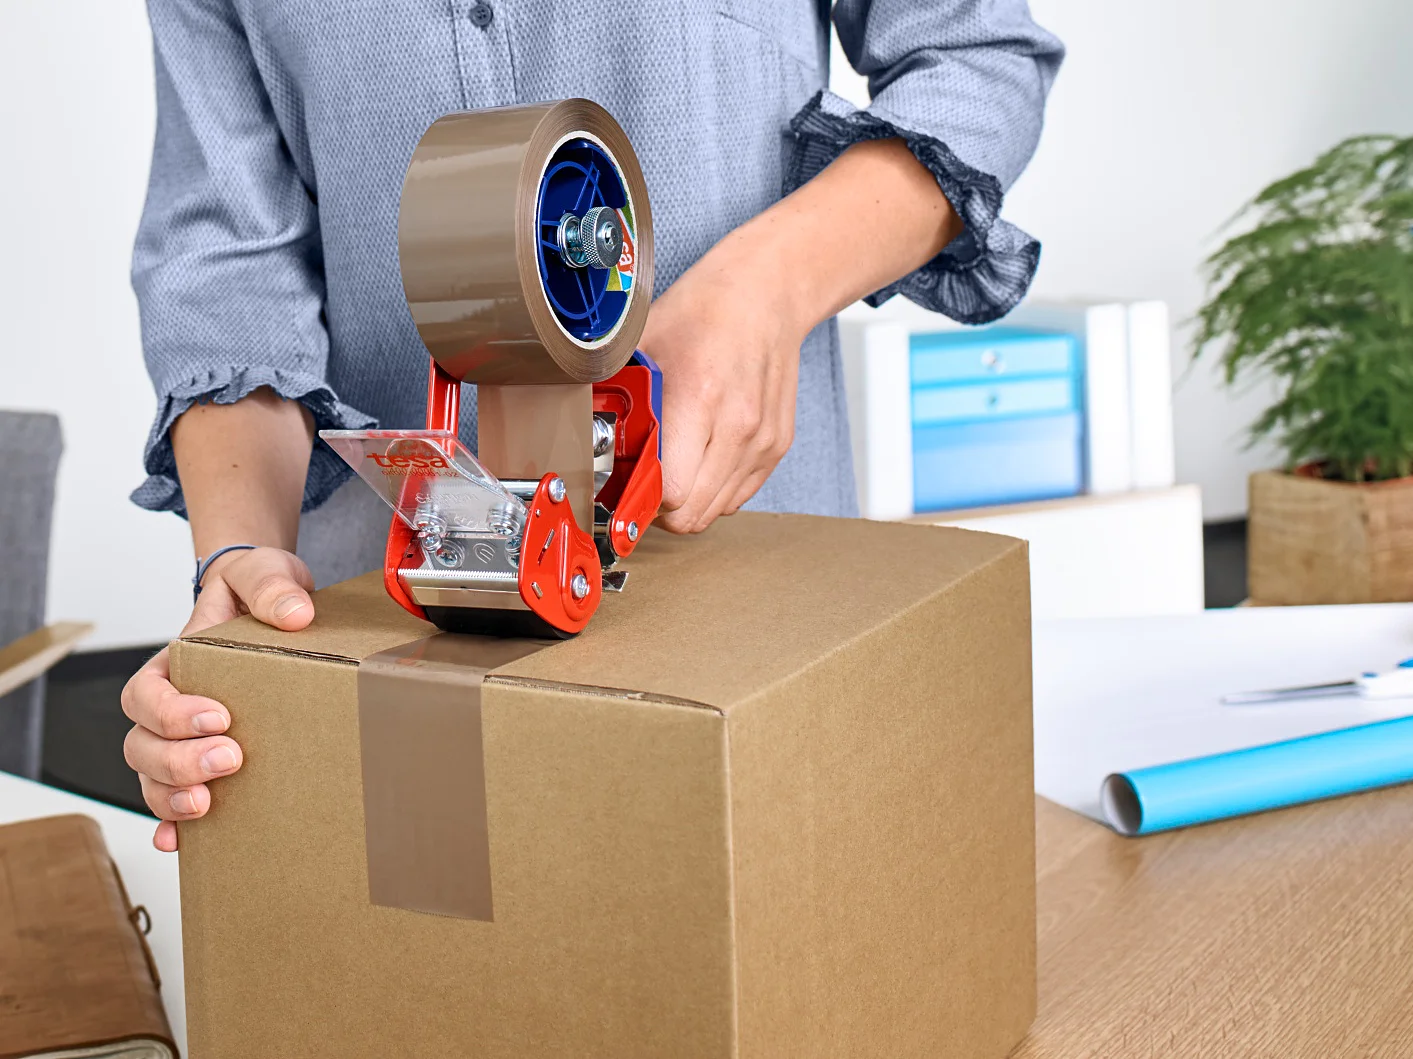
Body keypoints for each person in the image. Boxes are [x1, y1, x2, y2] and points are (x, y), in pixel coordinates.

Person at [121, 0, 1063, 850]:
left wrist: (767, 289)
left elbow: (976, 56)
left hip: (748, 591)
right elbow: (225, 258)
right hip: (392, 640)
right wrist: (238, 558)